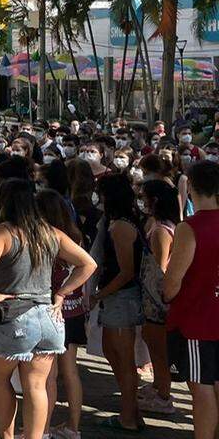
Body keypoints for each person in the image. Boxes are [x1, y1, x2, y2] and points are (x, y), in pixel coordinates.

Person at [0, 180, 96, 439]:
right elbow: (87, 264)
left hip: (13, 316)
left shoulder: (2, 232)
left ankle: (6, 436)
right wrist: (61, 292)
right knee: (37, 386)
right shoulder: (50, 232)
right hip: (48, 318)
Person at [163, 160, 219, 439]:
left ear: (192, 187)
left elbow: (173, 280)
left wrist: (166, 295)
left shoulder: (191, 227)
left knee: (201, 387)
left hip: (197, 320)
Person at [95, 173, 147, 432]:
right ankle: (132, 411)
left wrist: (99, 295)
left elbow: (126, 271)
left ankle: (128, 417)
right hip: (117, 298)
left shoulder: (120, 227)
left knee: (125, 361)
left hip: (122, 298)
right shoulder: (117, 223)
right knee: (111, 351)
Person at [35, 188, 89, 439]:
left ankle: (42, 429)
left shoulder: (51, 239)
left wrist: (62, 292)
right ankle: (73, 427)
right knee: (71, 371)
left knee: (49, 374)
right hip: (75, 310)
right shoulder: (77, 236)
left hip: (54, 311)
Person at [139, 178, 180, 416]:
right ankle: (158, 387)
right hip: (155, 298)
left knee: (158, 350)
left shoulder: (161, 231)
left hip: (157, 300)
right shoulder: (163, 225)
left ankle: (164, 395)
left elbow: (161, 267)